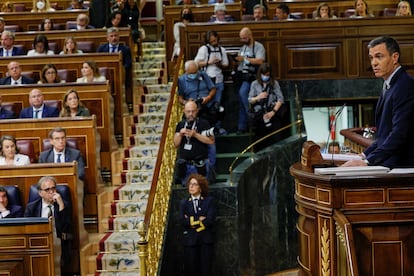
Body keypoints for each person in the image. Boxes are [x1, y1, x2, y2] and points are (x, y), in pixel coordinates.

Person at [342, 36, 414, 168]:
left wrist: (368, 162)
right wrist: (363, 156)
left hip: (402, 168)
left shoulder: (405, 85)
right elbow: (383, 136)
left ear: (395, 57)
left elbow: (399, 134)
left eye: (379, 56)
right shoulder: (389, 84)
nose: (374, 63)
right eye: (371, 58)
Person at [24, 176, 73, 270]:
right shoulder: (31, 207)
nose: (51, 192)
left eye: (53, 188)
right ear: (40, 193)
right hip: (38, 242)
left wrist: (61, 206)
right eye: (47, 190)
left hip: (58, 242)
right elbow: (27, 229)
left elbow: (65, 228)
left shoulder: (64, 205)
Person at [179, 173, 216, 276]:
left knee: (206, 270)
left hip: (206, 241)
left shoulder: (209, 201)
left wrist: (191, 221)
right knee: (191, 270)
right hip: (190, 242)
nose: (191, 186)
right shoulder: (184, 203)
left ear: (200, 187)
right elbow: (182, 221)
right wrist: (199, 219)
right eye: (190, 184)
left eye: (194, 184)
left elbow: (210, 220)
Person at [194, 30, 229, 134]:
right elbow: (196, 63)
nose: (214, 42)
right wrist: (208, 62)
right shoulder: (204, 49)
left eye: (215, 40)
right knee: (206, 106)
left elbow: (226, 64)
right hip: (207, 82)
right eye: (211, 41)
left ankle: (217, 128)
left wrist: (219, 64)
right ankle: (206, 128)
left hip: (219, 80)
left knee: (217, 106)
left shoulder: (222, 50)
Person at [174, 101, 215, 185]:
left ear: (197, 111)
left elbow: (211, 141)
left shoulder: (203, 123)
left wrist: (196, 135)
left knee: (202, 188)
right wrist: (180, 134)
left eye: (193, 111)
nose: (191, 114)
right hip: (185, 165)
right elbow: (176, 144)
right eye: (188, 111)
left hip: (200, 164)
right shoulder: (181, 124)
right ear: (184, 111)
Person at [233, 27, 265, 134]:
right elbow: (241, 64)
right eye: (241, 39)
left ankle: (253, 117)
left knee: (245, 96)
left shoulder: (258, 46)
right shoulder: (243, 48)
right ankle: (242, 126)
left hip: (255, 78)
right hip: (244, 77)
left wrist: (245, 59)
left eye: (245, 38)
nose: (243, 40)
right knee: (242, 99)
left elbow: (260, 60)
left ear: (250, 36)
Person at [248, 63, 284, 149]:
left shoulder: (274, 83)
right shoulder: (255, 84)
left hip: (272, 114)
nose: (265, 76)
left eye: (267, 75)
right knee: (261, 141)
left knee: (276, 138)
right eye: (263, 74)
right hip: (260, 116)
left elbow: (280, 99)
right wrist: (258, 97)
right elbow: (250, 100)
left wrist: (273, 112)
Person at [178, 60, 217, 125]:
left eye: (195, 72)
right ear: (186, 71)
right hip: (192, 109)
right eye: (191, 73)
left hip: (206, 106)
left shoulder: (203, 75)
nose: (193, 75)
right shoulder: (182, 80)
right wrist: (187, 102)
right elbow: (180, 98)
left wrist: (208, 97)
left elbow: (213, 89)